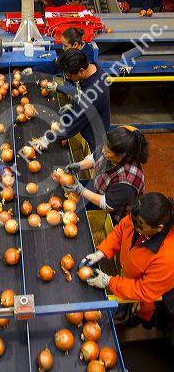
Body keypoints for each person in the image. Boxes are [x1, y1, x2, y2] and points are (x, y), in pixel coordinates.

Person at [80, 192, 174, 325]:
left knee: (135, 314)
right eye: (133, 219)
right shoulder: (138, 218)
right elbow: (121, 231)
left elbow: (144, 290)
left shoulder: (167, 257)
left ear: (159, 228)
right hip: (127, 278)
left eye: (140, 225)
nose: (134, 226)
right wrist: (101, 252)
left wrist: (108, 281)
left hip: (146, 295)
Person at [63, 126, 149, 223]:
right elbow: (95, 157)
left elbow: (107, 204)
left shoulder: (127, 180)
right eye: (105, 146)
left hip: (113, 212)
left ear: (122, 155)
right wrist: (79, 165)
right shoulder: (110, 146)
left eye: (107, 151)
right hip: (100, 187)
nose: (103, 151)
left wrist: (81, 190)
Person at [34, 49, 110, 152]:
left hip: (95, 136)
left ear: (81, 71)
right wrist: (73, 104)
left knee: (97, 157)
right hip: (89, 118)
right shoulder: (91, 66)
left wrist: (46, 139)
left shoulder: (91, 94)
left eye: (69, 75)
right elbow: (80, 91)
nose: (67, 77)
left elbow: (74, 126)